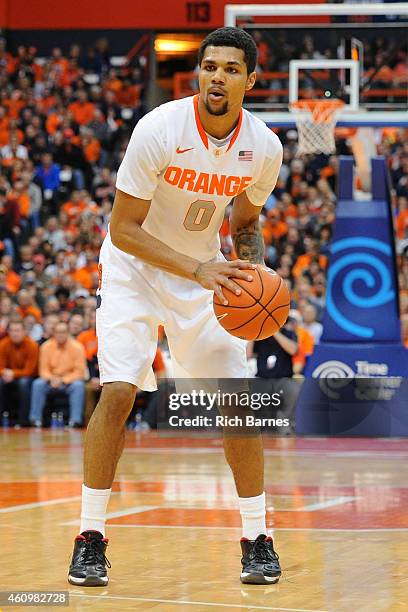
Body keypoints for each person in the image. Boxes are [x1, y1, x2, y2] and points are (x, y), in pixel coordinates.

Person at [68, 27, 283, 587]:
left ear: (250, 81)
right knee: (117, 391)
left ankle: (257, 539)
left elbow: (247, 225)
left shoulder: (264, 148)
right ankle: (90, 538)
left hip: (201, 279)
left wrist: (252, 272)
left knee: (237, 398)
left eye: (231, 69)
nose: (217, 76)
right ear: (200, 74)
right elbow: (123, 228)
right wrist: (198, 269)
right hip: (135, 268)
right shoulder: (159, 128)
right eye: (210, 66)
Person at [29, 320, 86, 427]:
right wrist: (52, 379)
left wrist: (63, 380)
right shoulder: (46, 347)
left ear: (68, 333)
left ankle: (75, 421)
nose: (61, 335)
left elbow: (80, 372)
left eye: (63, 332)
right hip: (50, 381)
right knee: (38, 384)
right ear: (54, 333)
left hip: (69, 382)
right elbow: (43, 370)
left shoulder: (77, 347)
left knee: (78, 386)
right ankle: (35, 420)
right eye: (58, 332)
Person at [0, 319, 39, 426]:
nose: (15, 333)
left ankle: (23, 420)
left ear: (24, 331)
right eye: (12, 330)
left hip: (27, 377)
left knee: (23, 383)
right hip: (7, 376)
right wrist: (5, 373)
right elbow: (0, 367)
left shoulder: (32, 345)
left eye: (17, 330)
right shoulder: (3, 344)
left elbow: (29, 371)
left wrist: (12, 373)